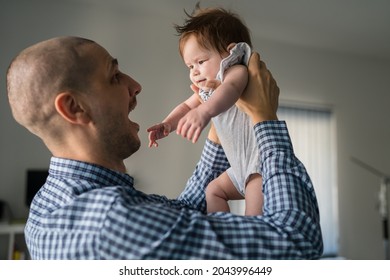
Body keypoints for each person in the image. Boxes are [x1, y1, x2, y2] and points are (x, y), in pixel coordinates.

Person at [6, 35, 323, 259]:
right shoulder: (111, 222)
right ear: (74, 107)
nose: (135, 85)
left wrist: (219, 119)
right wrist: (265, 119)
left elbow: (183, 212)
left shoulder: (49, 206)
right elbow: (295, 246)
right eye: (114, 76)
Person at [147, 7, 263, 216]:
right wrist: (168, 124)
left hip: (258, 166)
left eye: (200, 62)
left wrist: (204, 112)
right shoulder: (208, 89)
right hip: (238, 168)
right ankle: (222, 229)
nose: (195, 72)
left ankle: (246, 237)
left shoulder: (238, 72)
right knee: (213, 191)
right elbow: (186, 106)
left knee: (253, 219)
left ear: (230, 53)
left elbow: (230, 90)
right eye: (190, 66)